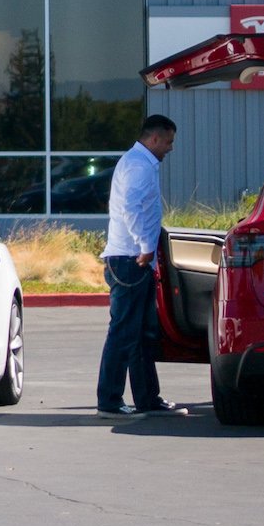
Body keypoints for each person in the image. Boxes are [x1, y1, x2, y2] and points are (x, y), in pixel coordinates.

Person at [97, 115, 187, 417]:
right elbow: (131, 208)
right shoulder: (138, 166)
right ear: (155, 139)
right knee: (124, 333)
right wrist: (145, 246)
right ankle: (109, 401)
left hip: (133, 261)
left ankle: (148, 398)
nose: (171, 148)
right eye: (169, 142)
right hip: (130, 260)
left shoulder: (140, 163)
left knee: (141, 334)